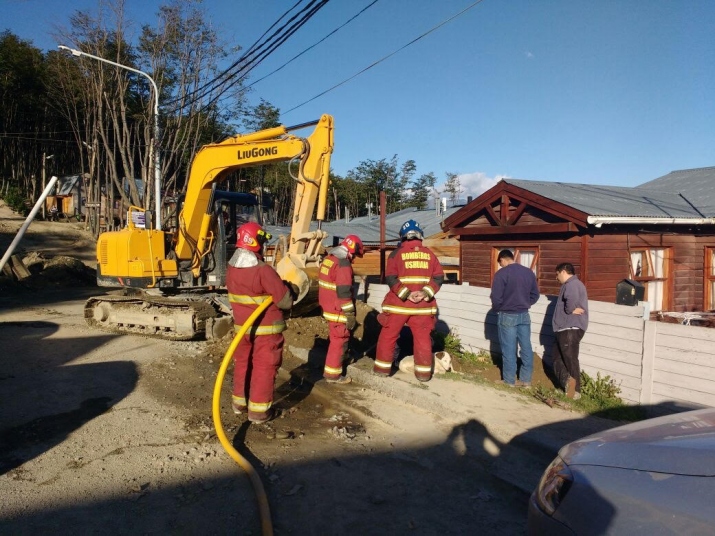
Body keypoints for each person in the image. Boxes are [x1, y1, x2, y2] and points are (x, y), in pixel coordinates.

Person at [226, 222, 294, 423]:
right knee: (264, 367)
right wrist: (290, 289)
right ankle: (259, 412)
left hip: (242, 330)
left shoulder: (231, 268)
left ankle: (239, 404)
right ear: (256, 242)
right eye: (263, 241)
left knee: (243, 364)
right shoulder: (263, 271)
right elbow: (285, 301)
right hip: (266, 330)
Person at [374, 220, 444, 382]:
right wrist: (424, 293)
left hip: (399, 306)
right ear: (420, 235)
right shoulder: (430, 254)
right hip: (423, 307)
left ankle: (382, 370)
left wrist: (407, 294)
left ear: (403, 236)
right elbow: (439, 277)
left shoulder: (396, 254)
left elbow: (390, 277)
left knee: (388, 336)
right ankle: (423, 374)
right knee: (422, 339)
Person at [490, 249, 540, 387]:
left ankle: (509, 381)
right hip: (524, 314)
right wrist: (526, 303)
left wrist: (497, 308)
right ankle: (526, 380)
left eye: (500, 263)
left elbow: (496, 297)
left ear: (503, 259)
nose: (500, 265)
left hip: (507, 315)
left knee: (509, 348)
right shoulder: (528, 272)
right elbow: (535, 294)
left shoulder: (501, 274)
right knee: (526, 347)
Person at [318, 234, 364, 384]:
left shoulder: (329, 260)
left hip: (328, 305)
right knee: (340, 339)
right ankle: (333, 375)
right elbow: (344, 292)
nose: (355, 259)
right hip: (338, 309)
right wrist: (350, 313)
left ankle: (333, 367)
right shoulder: (343, 264)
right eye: (355, 255)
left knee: (335, 338)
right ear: (352, 250)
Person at [552, 262, 588, 399]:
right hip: (564, 328)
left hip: (570, 328)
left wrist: (570, 309)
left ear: (563, 272)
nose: (556, 278)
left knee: (570, 359)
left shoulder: (572, 284)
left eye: (557, 274)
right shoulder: (572, 284)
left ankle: (575, 392)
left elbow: (570, 301)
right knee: (557, 358)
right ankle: (568, 385)